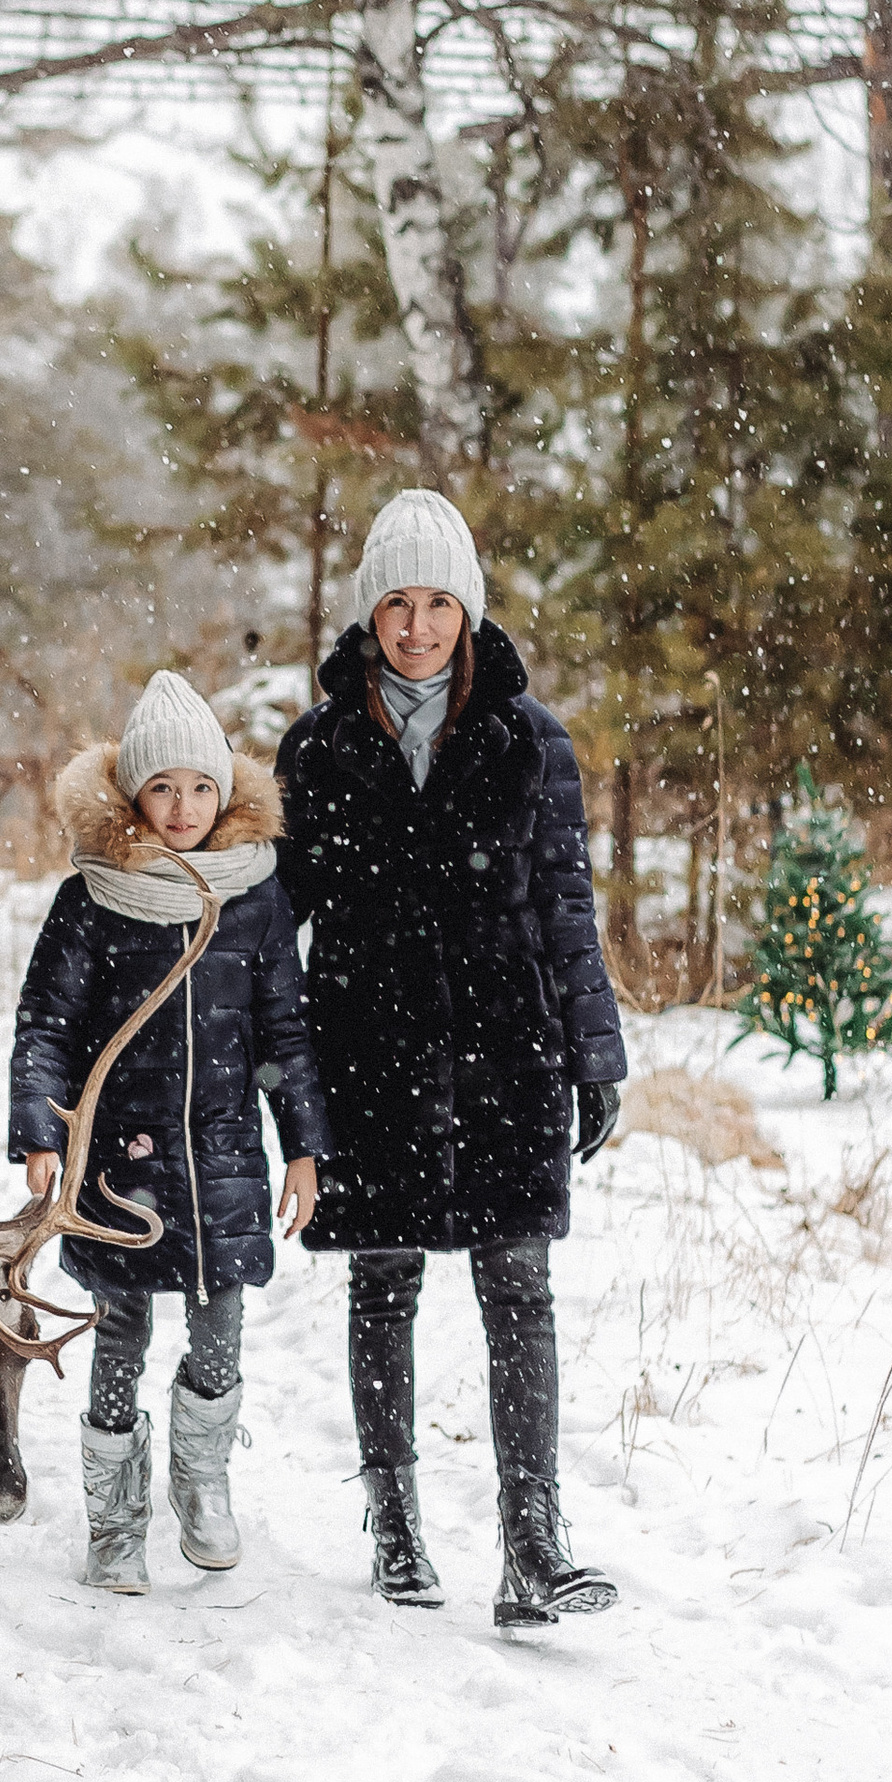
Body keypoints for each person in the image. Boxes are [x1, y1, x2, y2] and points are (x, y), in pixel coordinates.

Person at [273, 488, 627, 1629]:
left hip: (503, 1045)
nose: (416, 626)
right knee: (384, 1283)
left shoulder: (530, 740)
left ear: (465, 610)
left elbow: (566, 903)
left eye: (436, 602)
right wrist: (263, 1060)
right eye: (395, 601)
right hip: (366, 1043)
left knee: (518, 1288)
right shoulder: (319, 748)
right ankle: (394, 1521)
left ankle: (534, 1543)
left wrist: (594, 1046)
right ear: (368, 611)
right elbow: (275, 921)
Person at [8, 669, 327, 1593]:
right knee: (119, 1329)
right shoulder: (94, 896)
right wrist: (41, 1129)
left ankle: (202, 1480)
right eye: (162, 788)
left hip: (223, 1157)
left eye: (199, 786)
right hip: (120, 1159)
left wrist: (303, 1144)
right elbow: (47, 1025)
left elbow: (284, 1030)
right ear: (134, 798)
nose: (183, 806)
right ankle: (113, 1518)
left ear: (224, 792)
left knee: (219, 1325)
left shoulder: (258, 898)